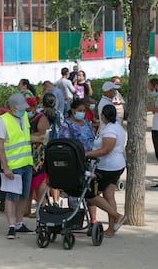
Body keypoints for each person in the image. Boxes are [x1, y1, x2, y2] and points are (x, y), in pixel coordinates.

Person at [0, 93, 33, 239]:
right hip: (13, 164)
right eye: (20, 108)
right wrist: (5, 167)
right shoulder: (3, 120)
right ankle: (11, 225)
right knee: (11, 196)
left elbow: (26, 138)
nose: (23, 110)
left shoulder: (23, 117)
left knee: (24, 195)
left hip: (27, 162)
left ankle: (19, 223)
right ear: (11, 107)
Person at [86, 105, 127, 237]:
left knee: (91, 194)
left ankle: (117, 216)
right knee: (109, 196)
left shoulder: (110, 130)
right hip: (115, 165)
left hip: (108, 167)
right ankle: (111, 229)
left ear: (103, 116)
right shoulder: (116, 127)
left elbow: (105, 150)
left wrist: (86, 154)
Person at [58, 99, 97, 230]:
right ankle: (73, 219)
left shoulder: (86, 124)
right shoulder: (66, 126)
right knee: (75, 191)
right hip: (74, 162)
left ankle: (93, 220)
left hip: (88, 160)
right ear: (73, 110)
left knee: (90, 191)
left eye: (84, 111)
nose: (82, 113)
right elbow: (63, 144)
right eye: (79, 111)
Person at [25, 96, 52, 218]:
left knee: (39, 181)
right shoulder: (26, 117)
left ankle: (42, 207)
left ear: (34, 107)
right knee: (28, 182)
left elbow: (43, 136)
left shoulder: (41, 118)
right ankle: (26, 208)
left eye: (28, 109)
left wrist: (28, 137)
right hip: (28, 153)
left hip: (38, 154)